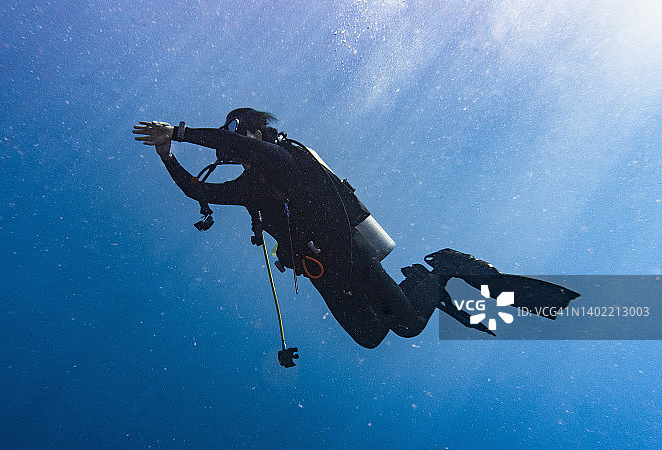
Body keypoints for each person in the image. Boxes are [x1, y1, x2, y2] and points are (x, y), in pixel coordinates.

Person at [133, 108, 578, 348]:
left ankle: (441, 271)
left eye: (237, 127)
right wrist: (167, 155)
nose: (232, 136)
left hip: (346, 251)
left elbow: (237, 146)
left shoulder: (285, 157)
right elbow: (196, 191)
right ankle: (421, 286)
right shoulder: (251, 188)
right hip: (321, 274)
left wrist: (181, 132)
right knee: (369, 336)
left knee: (407, 325)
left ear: (255, 132)